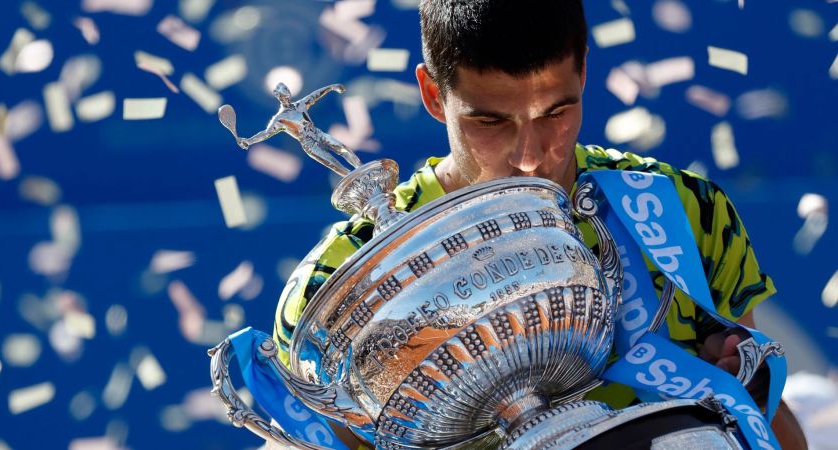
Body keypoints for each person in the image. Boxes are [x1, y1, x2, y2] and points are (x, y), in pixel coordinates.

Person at [270, 1, 807, 448]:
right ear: (434, 94)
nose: (530, 157)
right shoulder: (342, 289)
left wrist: (736, 378)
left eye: (556, 112)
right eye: (490, 121)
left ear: (585, 71)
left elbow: (768, 422)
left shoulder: (683, 212)